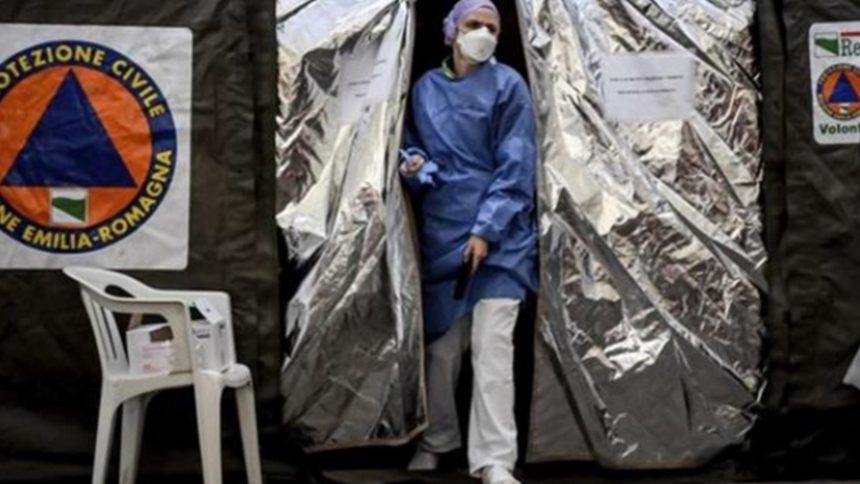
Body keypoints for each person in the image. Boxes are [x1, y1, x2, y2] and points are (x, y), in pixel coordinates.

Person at [399, 1, 538, 483]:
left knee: (492, 349)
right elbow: (412, 148)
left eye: (492, 28)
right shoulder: (425, 89)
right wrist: (415, 166)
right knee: (441, 352)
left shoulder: (508, 86)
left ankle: (495, 460)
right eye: (473, 25)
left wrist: (486, 229)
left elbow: (516, 164)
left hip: (501, 242)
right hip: (444, 234)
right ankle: (438, 440)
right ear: (451, 32)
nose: (483, 34)